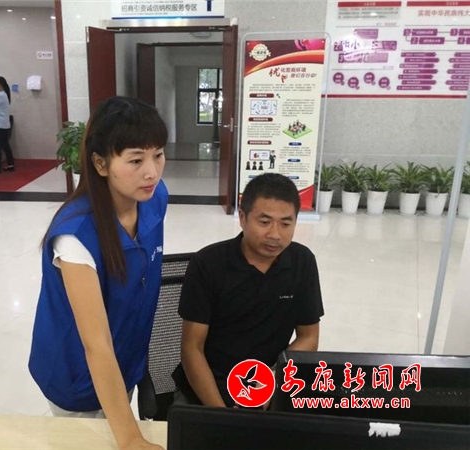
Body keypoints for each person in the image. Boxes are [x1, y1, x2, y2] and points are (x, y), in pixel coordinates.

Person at [29, 96, 168, 450]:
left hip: (126, 360)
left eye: (158, 155)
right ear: (101, 163)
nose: (152, 172)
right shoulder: (75, 236)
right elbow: (96, 344)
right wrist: (131, 439)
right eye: (136, 160)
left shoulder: (154, 197)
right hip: (77, 376)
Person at [172, 173, 324, 408]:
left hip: (269, 385)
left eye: (285, 224)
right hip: (208, 390)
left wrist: (274, 382)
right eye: (264, 222)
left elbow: (308, 337)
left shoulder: (302, 262)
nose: (275, 234)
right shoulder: (208, 264)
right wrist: (222, 415)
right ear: (242, 218)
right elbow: (192, 349)